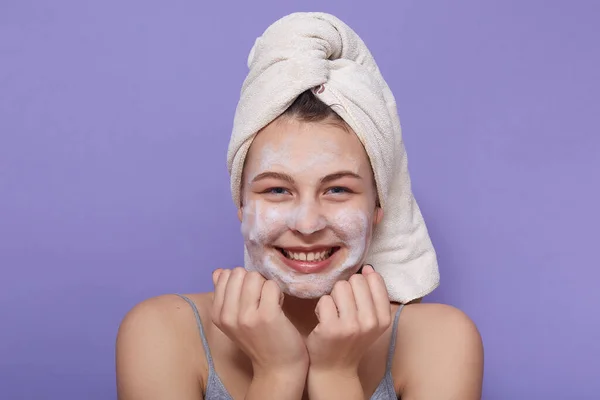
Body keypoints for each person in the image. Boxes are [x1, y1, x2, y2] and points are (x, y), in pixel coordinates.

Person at [115, 13, 484, 400]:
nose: (307, 224)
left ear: (379, 209)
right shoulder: (162, 332)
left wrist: (335, 374)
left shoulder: (441, 341)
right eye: (276, 191)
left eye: (338, 190)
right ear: (240, 204)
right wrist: (278, 371)